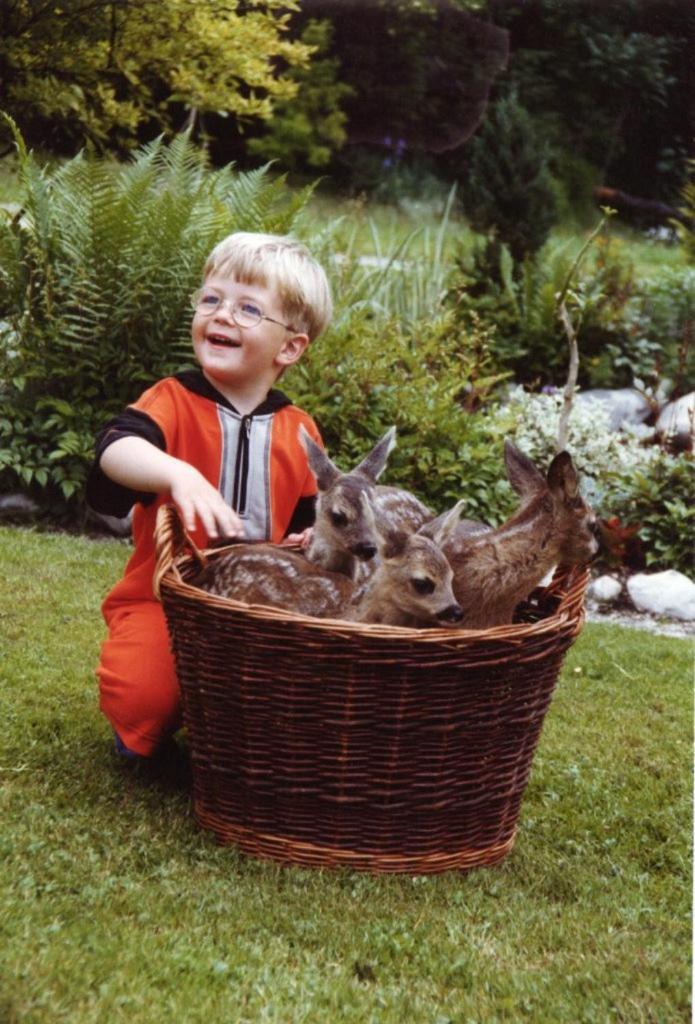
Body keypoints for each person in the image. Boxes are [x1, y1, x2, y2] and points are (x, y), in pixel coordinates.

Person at [86, 231, 332, 760]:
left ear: (289, 347)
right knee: (142, 703)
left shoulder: (300, 431)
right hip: (165, 600)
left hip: (262, 612)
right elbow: (114, 451)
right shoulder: (171, 400)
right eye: (211, 300)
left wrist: (316, 539)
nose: (221, 315)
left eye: (248, 309)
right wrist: (176, 474)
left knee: (304, 705)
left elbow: (317, 523)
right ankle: (151, 713)